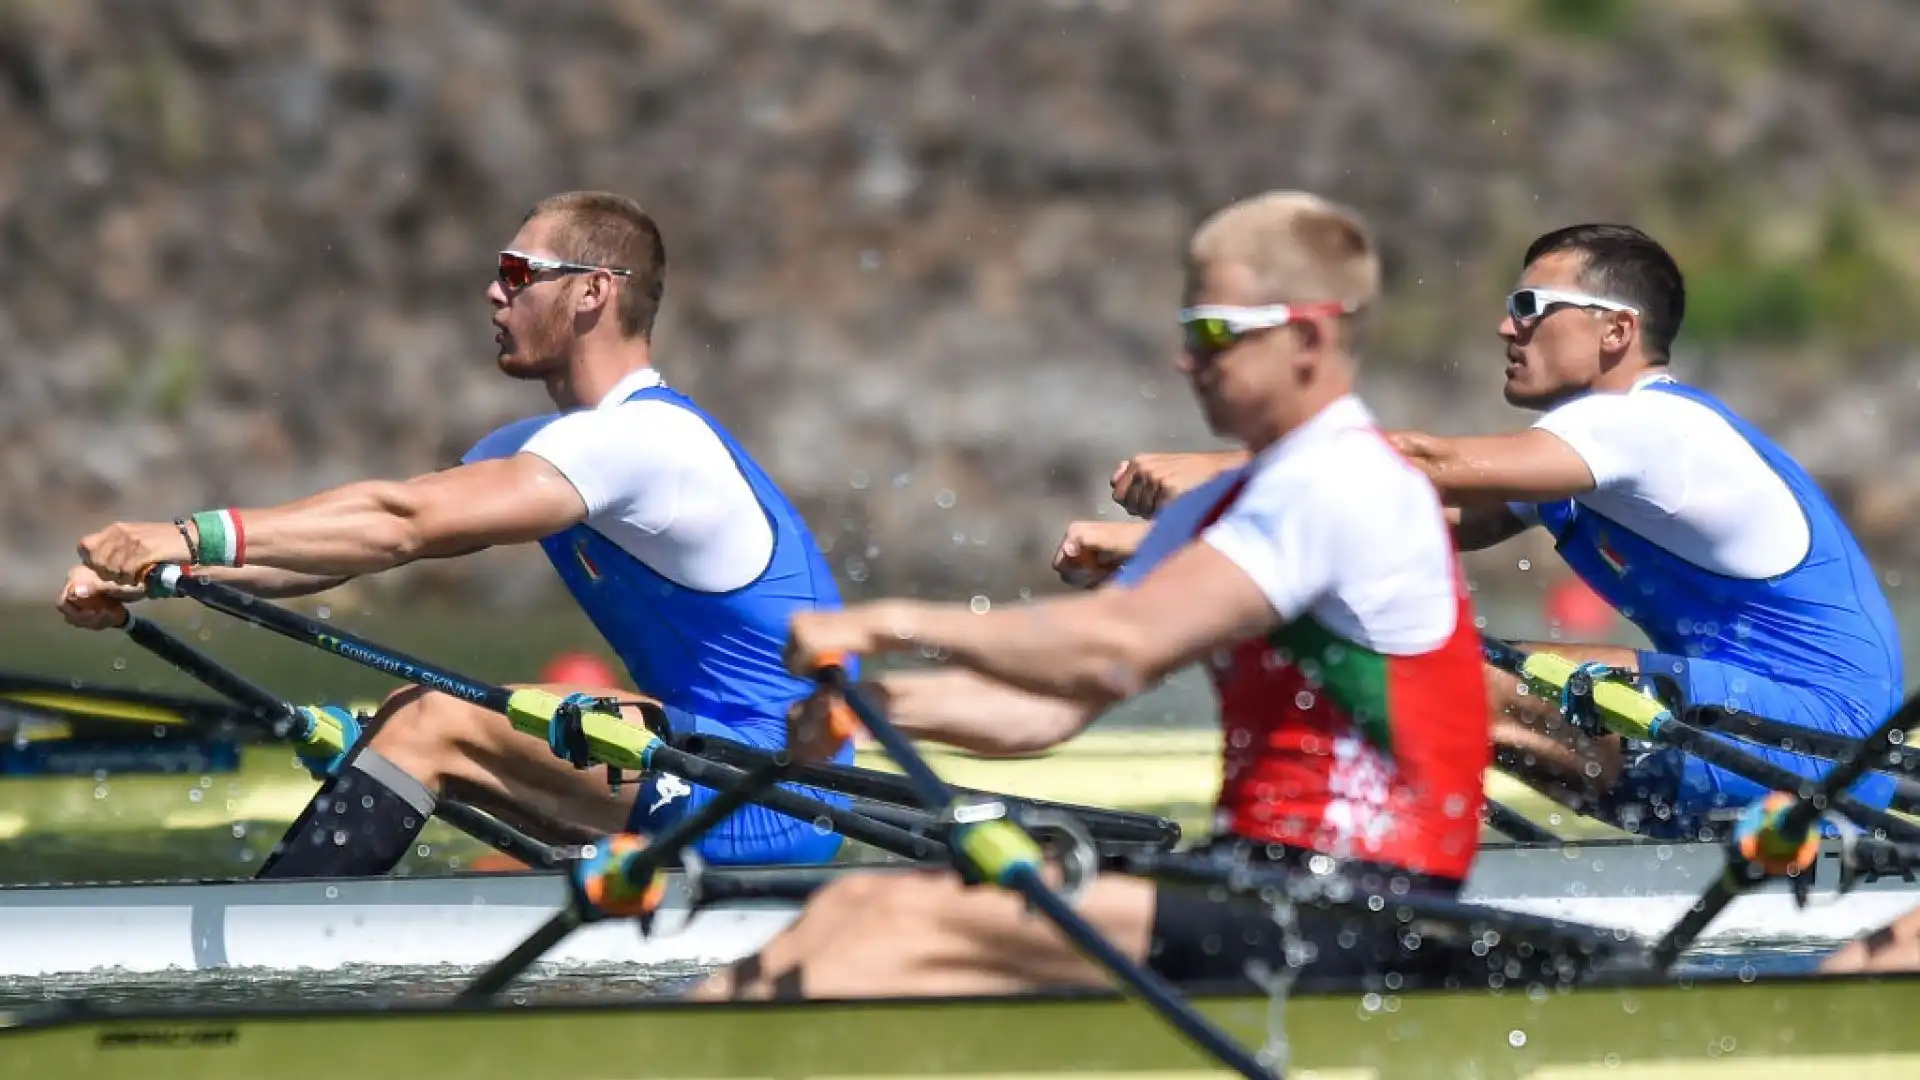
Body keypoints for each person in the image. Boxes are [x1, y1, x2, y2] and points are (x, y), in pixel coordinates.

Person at [685, 190, 1493, 1001]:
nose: (1187, 358)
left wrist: (892, 622)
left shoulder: (1347, 482)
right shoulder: (1220, 508)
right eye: (1186, 331)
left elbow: (1119, 642)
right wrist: (873, 707)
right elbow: (1053, 705)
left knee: (903, 927)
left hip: (1365, 904)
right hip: (1260, 882)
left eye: (1212, 332)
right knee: (854, 903)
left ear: (1309, 335)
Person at [58, 190, 854, 877]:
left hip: (781, 790)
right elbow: (345, 550)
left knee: (431, 720)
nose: (491, 294)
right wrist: (158, 581)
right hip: (708, 764)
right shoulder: (541, 451)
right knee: (412, 714)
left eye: (517, 275)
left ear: (592, 294)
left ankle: (275, 941)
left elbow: (397, 525)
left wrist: (184, 536)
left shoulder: (642, 443)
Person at [1082, 224, 1904, 841]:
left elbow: (1425, 461)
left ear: (1616, 331)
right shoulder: (1586, 457)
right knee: (1374, 663)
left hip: (1817, 740)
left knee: (1425, 680)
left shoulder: (1648, 429)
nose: (1507, 329)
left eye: (1530, 309)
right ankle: (1354, 868)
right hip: (1747, 730)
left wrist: (1220, 469)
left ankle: (1328, 880)